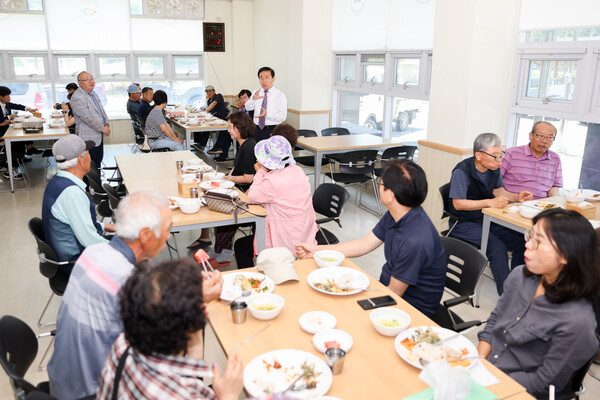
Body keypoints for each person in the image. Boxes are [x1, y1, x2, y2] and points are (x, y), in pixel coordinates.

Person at [47, 191, 176, 400]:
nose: (169, 235)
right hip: (92, 392)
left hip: (62, 381)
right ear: (144, 235)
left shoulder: (93, 253)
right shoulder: (128, 282)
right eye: (168, 228)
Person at [297, 160, 446, 318]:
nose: (379, 185)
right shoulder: (399, 213)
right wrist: (316, 251)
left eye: (381, 184)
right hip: (387, 289)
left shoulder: (415, 240)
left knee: (340, 311)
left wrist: (359, 302)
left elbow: (395, 293)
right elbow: (364, 244)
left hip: (411, 310)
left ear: (390, 194)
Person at [477, 209, 600, 398]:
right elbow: (494, 321)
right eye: (530, 236)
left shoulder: (577, 321)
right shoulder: (519, 276)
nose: (527, 244)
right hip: (487, 372)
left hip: (517, 391)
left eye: (538, 241)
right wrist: (479, 362)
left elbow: (544, 383)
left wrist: (491, 382)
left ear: (565, 255)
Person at [96, 259, 242, 400]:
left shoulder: (123, 343)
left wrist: (193, 309)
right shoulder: (179, 395)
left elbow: (189, 379)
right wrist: (229, 396)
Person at [448, 133, 533, 295]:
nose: (499, 159)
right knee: (497, 247)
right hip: (463, 223)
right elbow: (457, 203)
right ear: (478, 155)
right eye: (495, 156)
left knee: (522, 241)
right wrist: (488, 202)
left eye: (501, 154)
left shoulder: (493, 169)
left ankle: (518, 284)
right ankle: (508, 294)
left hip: (486, 218)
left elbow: (499, 191)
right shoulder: (462, 171)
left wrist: (516, 197)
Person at [189, 112, 257, 264]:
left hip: (247, 193)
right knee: (215, 201)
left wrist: (230, 179)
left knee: (224, 211)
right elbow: (237, 168)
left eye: (231, 127)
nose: (228, 130)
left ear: (240, 128)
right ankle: (220, 250)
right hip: (239, 188)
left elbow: (250, 178)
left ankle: (223, 253)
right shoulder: (244, 144)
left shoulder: (248, 148)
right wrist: (227, 176)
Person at [41, 135, 115, 272]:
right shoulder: (72, 193)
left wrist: (104, 225)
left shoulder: (56, 182)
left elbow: (73, 222)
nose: (90, 156)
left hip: (68, 253)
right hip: (76, 262)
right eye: (88, 153)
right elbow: (90, 241)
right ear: (81, 160)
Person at [240, 135, 318, 260]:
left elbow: (251, 196)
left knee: (240, 247)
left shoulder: (272, 181)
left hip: (285, 239)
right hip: (305, 232)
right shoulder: (298, 170)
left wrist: (260, 172)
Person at [501, 121, 563, 199]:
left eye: (550, 137)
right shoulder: (510, 154)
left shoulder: (555, 159)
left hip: (540, 206)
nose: (544, 141)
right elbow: (495, 183)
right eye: (540, 136)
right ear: (531, 136)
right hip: (512, 204)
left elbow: (555, 186)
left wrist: (551, 201)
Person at [70, 71, 110, 168]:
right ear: (79, 83)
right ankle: (89, 184)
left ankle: (97, 183)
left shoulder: (93, 93)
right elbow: (87, 117)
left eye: (91, 78)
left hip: (98, 137)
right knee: (89, 168)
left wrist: (106, 124)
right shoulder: (77, 96)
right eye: (87, 80)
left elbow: (102, 111)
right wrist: (102, 128)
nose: (91, 81)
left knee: (97, 164)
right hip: (88, 139)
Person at [0, 85, 40, 179]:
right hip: (2, 133)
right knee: (17, 141)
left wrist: (28, 109)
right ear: (1, 96)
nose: (9, 97)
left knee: (23, 134)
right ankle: (11, 170)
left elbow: (17, 106)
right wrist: (9, 117)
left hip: (7, 129)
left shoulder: (6, 104)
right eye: (7, 96)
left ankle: (20, 158)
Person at [244, 67, 288, 142]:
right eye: (261, 78)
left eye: (266, 77)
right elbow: (247, 107)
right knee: (256, 152)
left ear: (273, 79)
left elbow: (282, 117)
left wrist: (267, 115)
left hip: (272, 130)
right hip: (256, 129)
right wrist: (253, 99)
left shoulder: (280, 95)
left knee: (269, 153)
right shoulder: (256, 92)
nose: (264, 81)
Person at [202, 85, 231, 161]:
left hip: (222, 119)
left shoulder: (218, 96)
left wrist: (205, 110)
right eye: (207, 92)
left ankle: (217, 147)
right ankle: (222, 156)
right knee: (204, 127)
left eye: (210, 91)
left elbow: (214, 104)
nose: (208, 93)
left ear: (214, 91)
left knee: (225, 132)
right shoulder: (208, 100)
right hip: (215, 120)